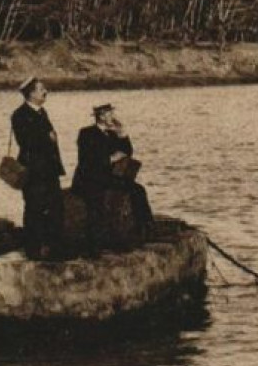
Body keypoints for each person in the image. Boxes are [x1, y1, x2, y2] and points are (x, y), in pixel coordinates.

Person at [72, 103, 154, 249]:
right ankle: (94, 245)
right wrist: (109, 159)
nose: (113, 117)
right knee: (96, 201)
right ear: (101, 116)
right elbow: (86, 158)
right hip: (89, 177)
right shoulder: (86, 133)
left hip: (107, 177)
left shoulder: (111, 134)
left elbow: (127, 152)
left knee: (138, 190)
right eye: (109, 114)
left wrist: (122, 134)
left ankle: (146, 228)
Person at [10, 77, 66, 260]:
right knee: (34, 208)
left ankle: (54, 248)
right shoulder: (19, 115)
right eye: (41, 89)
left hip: (49, 170)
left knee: (55, 207)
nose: (45, 92)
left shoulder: (42, 112)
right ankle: (33, 250)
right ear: (31, 93)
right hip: (33, 171)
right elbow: (26, 142)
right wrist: (48, 137)